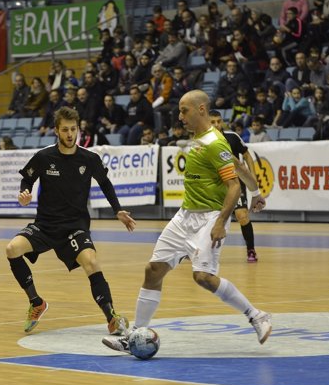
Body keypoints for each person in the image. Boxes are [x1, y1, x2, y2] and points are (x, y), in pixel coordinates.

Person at [102, 90, 271, 355]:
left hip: (211, 217)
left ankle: (256, 315)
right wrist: (258, 192)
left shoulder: (214, 143)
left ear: (201, 109)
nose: (180, 117)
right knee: (153, 270)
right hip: (185, 215)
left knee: (203, 276)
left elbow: (233, 186)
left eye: (184, 110)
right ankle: (133, 335)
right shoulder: (201, 140)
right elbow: (238, 168)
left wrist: (220, 222)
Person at [5, 106, 136, 334]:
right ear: (56, 130)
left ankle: (111, 317)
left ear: (78, 129)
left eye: (73, 129)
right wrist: (24, 194)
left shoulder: (89, 158)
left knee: (92, 263)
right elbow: (27, 179)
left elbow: (105, 183)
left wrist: (117, 210)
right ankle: (36, 303)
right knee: (12, 249)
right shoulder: (44, 157)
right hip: (45, 225)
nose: (69, 134)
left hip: (75, 227)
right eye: (64, 129)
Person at [210, 110, 260, 262]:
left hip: (234, 182)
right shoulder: (204, 140)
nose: (217, 125)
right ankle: (195, 249)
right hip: (215, 185)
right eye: (213, 122)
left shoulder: (232, 137)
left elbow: (246, 155)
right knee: (206, 218)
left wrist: (252, 176)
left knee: (242, 215)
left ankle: (251, 250)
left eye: (219, 121)